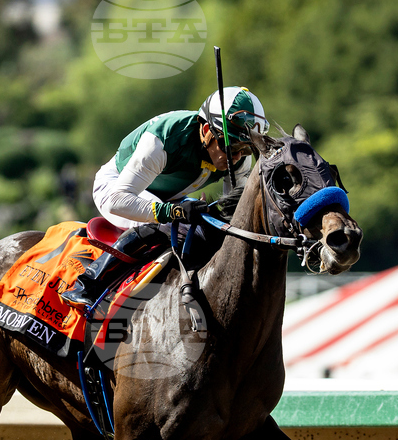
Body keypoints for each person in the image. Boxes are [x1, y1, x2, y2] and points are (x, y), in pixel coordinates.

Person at [61, 87, 269, 308]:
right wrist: (172, 212)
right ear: (207, 130)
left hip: (166, 197)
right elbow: (116, 200)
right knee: (170, 224)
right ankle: (88, 284)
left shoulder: (237, 156)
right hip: (116, 188)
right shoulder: (165, 138)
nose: (237, 156)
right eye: (232, 146)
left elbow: (235, 220)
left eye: (246, 150)